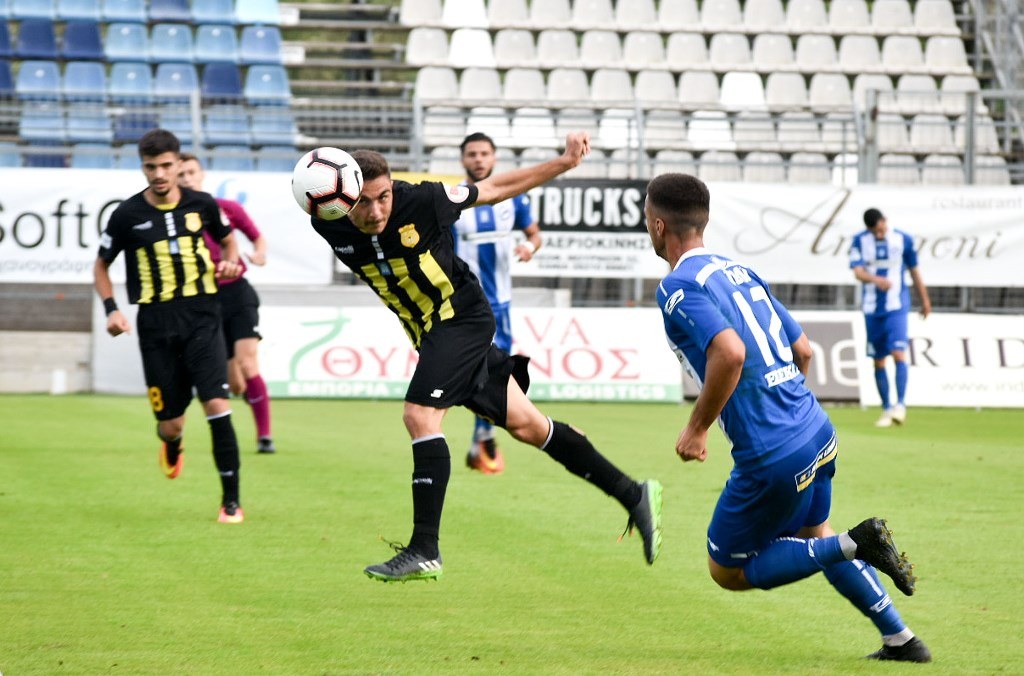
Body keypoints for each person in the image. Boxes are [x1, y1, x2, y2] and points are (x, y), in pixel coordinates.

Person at [306, 132, 662, 583]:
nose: (376, 211)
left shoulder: (425, 201)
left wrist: (565, 162)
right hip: (429, 334)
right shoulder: (327, 219)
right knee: (530, 427)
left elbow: (493, 188)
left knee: (419, 416)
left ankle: (424, 549)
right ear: (343, 200)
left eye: (384, 197)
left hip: (461, 319)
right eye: (364, 203)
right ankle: (633, 494)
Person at [644, 173, 930, 662]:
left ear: (658, 225)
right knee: (814, 534)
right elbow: (804, 349)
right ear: (703, 221)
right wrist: (788, 408)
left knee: (727, 569)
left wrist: (696, 429)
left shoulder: (677, 286)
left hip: (772, 452)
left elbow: (730, 353)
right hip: (816, 429)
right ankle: (901, 640)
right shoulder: (739, 270)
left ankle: (856, 543)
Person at [93, 129, 245, 524]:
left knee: (216, 404)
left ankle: (231, 502)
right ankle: (173, 443)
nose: (159, 174)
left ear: (179, 164)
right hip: (156, 324)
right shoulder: (126, 215)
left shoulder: (203, 204)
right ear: (142, 167)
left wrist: (230, 261)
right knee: (170, 424)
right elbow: (101, 265)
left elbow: (229, 241)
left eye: (165, 165)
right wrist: (112, 309)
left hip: (203, 316)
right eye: (151, 167)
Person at [451, 132, 543, 475]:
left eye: (484, 153)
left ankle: (483, 438)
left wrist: (529, 247)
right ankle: (480, 438)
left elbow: (535, 234)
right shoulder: (453, 199)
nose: (478, 159)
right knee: (469, 368)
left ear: (494, 158)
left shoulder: (512, 198)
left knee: (493, 370)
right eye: (472, 154)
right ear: (463, 160)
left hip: (500, 303)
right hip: (465, 302)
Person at [178, 152, 276, 454]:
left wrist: (259, 255)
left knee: (248, 362)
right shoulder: (174, 219)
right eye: (181, 174)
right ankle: (248, 395)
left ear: (202, 175)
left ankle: (265, 437)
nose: (186, 178)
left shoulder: (227, 208)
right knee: (235, 385)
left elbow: (257, 238)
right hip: (206, 299)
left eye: (191, 172)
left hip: (238, 294)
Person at [849, 208, 931, 427]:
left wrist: (924, 300)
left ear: (885, 221)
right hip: (872, 308)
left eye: (880, 229)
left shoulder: (903, 239)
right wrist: (877, 280)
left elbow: (914, 271)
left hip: (897, 306)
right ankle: (886, 408)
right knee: (878, 359)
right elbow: (857, 272)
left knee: (898, 352)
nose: (878, 234)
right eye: (874, 232)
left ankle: (900, 405)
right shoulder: (859, 241)